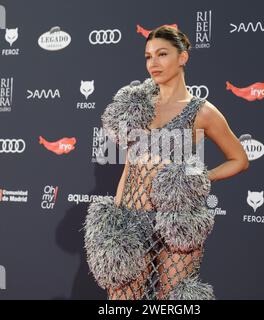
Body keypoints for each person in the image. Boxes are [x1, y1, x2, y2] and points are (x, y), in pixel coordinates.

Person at [84, 25, 249, 300]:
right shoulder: (138, 106)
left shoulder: (202, 111)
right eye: (148, 56)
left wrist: (196, 178)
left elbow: (239, 160)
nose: (153, 63)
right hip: (130, 217)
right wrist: (114, 215)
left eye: (162, 54)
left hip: (176, 221)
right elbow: (130, 168)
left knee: (173, 300)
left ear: (182, 57)